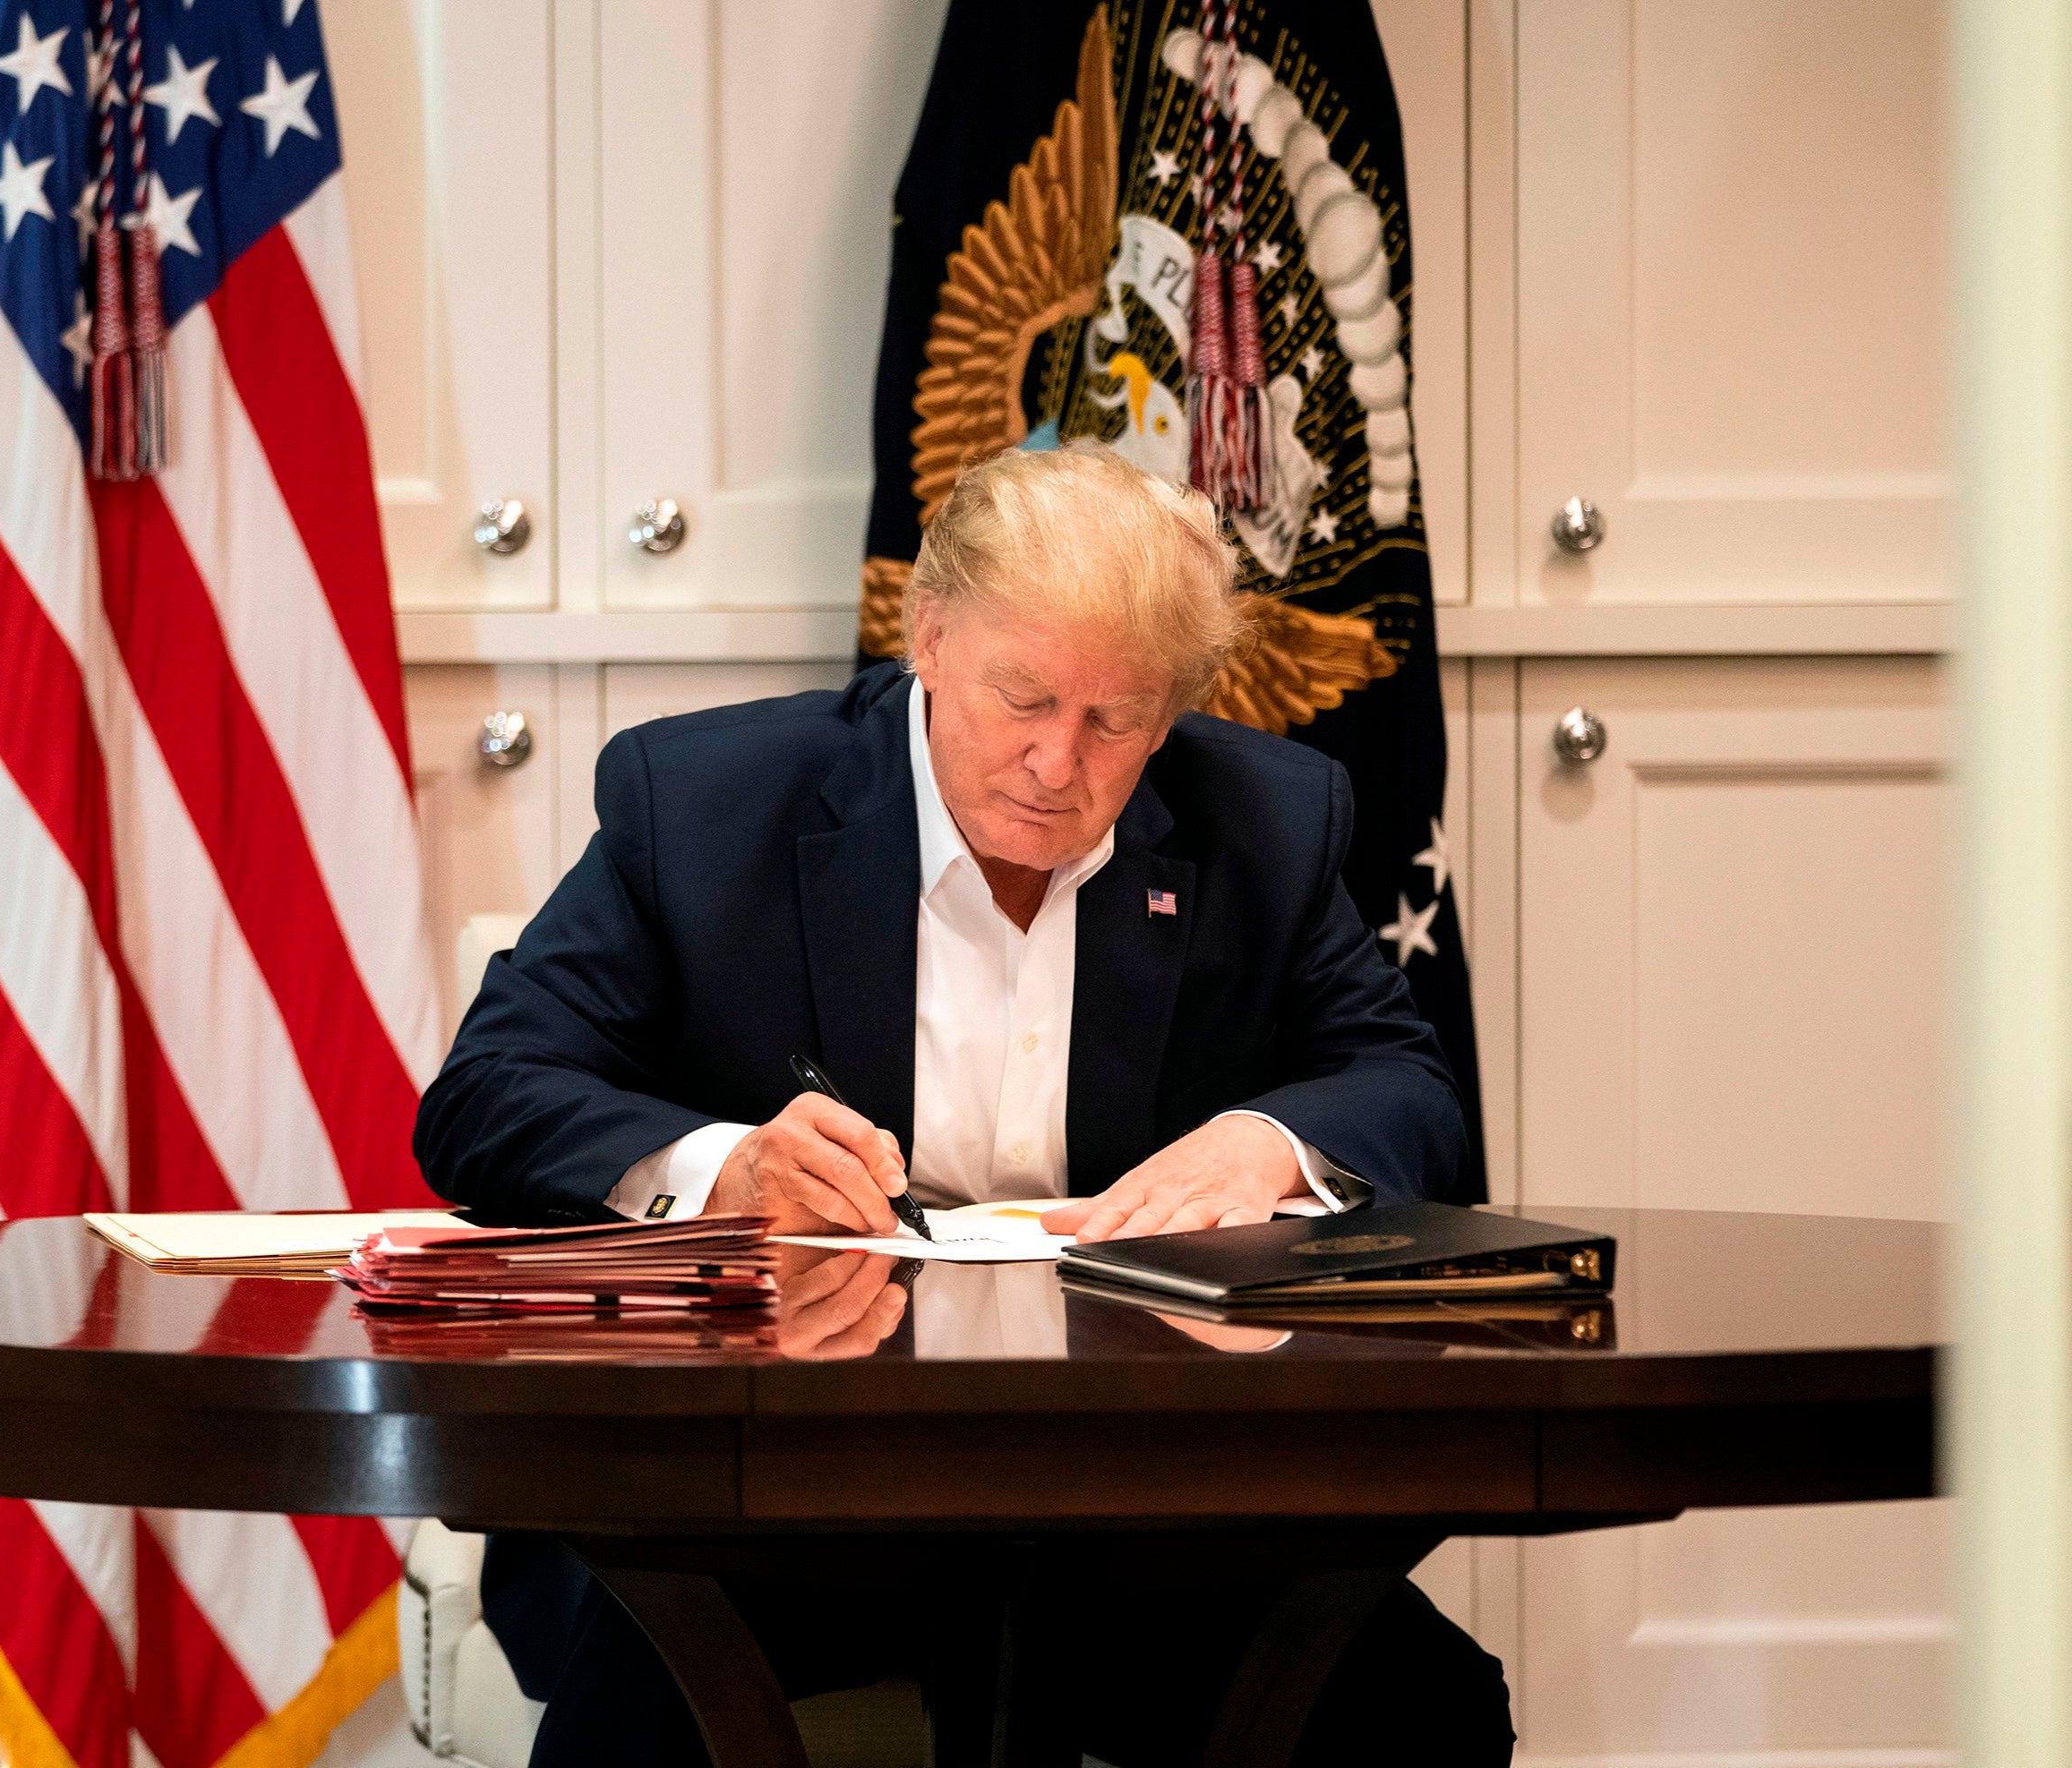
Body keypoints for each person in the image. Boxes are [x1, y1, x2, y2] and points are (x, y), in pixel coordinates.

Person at [414, 444, 1511, 1765]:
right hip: (762, 1493)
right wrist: (722, 1170)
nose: (1058, 761)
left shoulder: (1266, 822)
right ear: (929, 638)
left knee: (1423, 1708)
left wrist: (1271, 1143)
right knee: (637, 1722)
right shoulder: (703, 803)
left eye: (1116, 720)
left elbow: (1408, 1089)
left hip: (1141, 1503)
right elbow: (487, 1094)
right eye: (1023, 698)